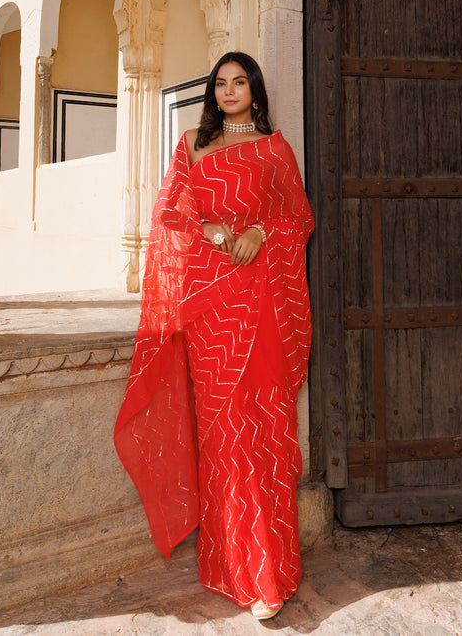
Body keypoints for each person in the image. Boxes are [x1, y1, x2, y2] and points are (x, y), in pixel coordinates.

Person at [114, 51, 314, 621]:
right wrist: (205, 225)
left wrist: (259, 230)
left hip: (262, 306)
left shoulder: (274, 149)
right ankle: (235, 566)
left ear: (254, 89)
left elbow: (298, 218)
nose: (230, 91)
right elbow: (169, 215)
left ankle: (268, 572)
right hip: (211, 318)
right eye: (221, 83)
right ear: (213, 92)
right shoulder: (191, 148)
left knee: (265, 435)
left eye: (239, 82)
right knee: (225, 439)